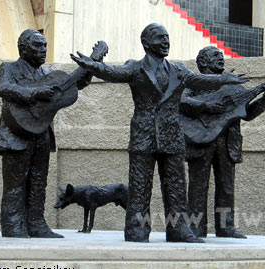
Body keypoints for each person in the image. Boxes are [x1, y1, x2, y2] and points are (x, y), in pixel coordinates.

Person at [71, 23, 248, 243]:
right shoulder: (135, 67)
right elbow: (113, 73)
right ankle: (137, 231)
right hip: (143, 136)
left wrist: (224, 79)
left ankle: (179, 230)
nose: (165, 41)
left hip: (172, 136)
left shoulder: (179, 69)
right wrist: (94, 66)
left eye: (167, 37)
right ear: (146, 43)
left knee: (176, 186)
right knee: (140, 187)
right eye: (159, 37)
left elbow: (200, 80)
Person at [0, 29, 91, 238]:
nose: (43, 49)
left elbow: (73, 86)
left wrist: (88, 70)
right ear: (23, 48)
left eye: (45, 45)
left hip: (42, 133)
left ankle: (36, 224)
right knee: (16, 184)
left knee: (39, 182)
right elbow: (5, 88)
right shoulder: (9, 68)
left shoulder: (46, 73)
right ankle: (13, 226)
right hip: (16, 134)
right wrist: (35, 92)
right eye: (38, 45)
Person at [180, 46, 265, 238]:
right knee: (198, 185)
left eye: (221, 55)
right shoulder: (194, 83)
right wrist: (206, 106)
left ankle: (226, 227)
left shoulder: (234, 86)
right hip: (202, 140)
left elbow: (247, 113)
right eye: (216, 55)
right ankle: (196, 228)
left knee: (227, 185)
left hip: (227, 141)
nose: (221, 57)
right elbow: (181, 101)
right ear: (204, 62)